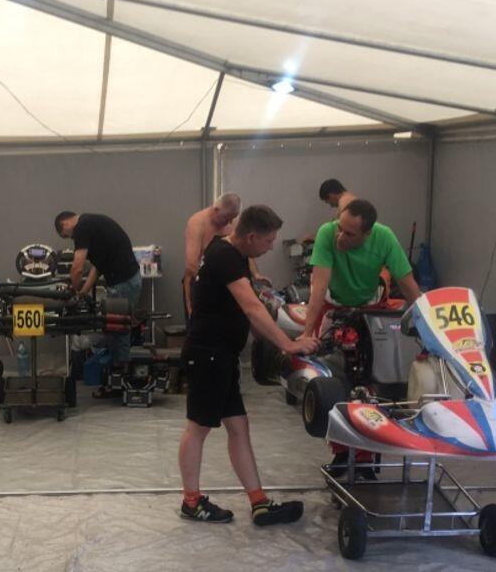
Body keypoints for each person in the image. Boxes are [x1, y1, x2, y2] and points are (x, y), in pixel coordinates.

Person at [178, 204, 310, 526]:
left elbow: (247, 307)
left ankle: (259, 502)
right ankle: (191, 502)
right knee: (198, 428)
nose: (270, 247)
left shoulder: (231, 253)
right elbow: (251, 308)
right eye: (268, 241)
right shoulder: (224, 256)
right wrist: (288, 344)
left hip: (221, 356)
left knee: (238, 427)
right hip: (208, 355)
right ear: (251, 236)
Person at [299, 198, 421, 347]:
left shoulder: (385, 237)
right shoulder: (327, 233)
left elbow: (408, 285)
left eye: (349, 234)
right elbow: (319, 287)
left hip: (370, 305)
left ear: (367, 234)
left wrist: (425, 327)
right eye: (339, 228)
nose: (340, 236)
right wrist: (306, 334)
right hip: (332, 305)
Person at [54, 210, 143, 395]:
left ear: (65, 225)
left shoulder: (81, 228)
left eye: (66, 236)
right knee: (116, 329)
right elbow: (97, 267)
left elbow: (77, 268)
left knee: (118, 330)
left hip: (123, 283)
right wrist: (82, 292)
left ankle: (118, 384)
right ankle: (118, 378)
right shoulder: (92, 223)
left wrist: (71, 293)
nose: (71, 239)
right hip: (126, 281)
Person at [183, 192, 267, 317]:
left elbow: (243, 249)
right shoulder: (197, 223)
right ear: (215, 210)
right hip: (200, 281)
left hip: (225, 282)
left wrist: (255, 274)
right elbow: (191, 264)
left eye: (232, 218)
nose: (229, 222)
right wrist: (210, 283)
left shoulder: (232, 223)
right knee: (200, 323)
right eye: (226, 218)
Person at [301, 178, 357, 243]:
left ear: (331, 195)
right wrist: (316, 235)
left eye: (328, 202)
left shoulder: (344, 203)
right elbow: (334, 226)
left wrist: (317, 238)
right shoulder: (350, 199)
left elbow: (342, 234)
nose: (331, 206)